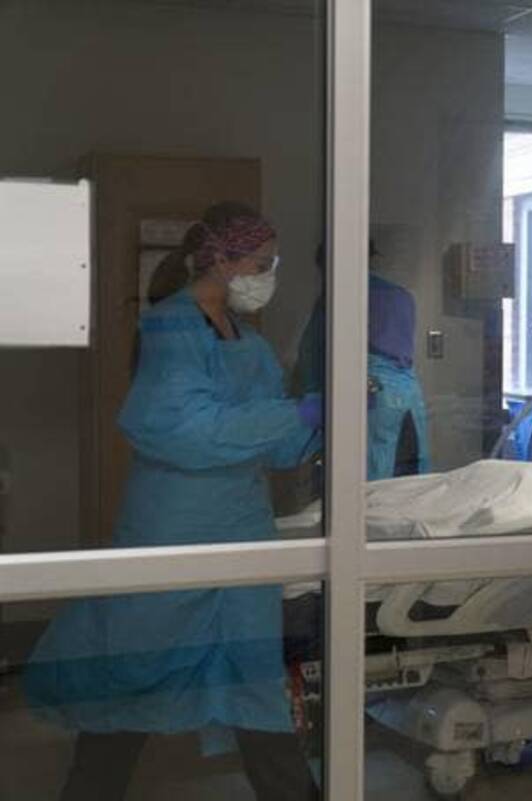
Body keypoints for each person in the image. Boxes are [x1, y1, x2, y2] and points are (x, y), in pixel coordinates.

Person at [24, 203, 322, 801]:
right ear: (222, 259)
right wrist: (288, 413)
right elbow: (187, 430)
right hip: (176, 525)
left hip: (240, 531)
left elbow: (280, 444)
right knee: (137, 672)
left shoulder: (250, 343)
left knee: (253, 681)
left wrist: (322, 415)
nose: (268, 275)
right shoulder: (171, 328)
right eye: (261, 264)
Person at [296, 241, 429, 480]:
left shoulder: (341, 294)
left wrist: (308, 404)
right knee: (409, 477)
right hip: (408, 394)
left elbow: (312, 353)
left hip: (369, 393)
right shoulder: (399, 295)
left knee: (364, 484)